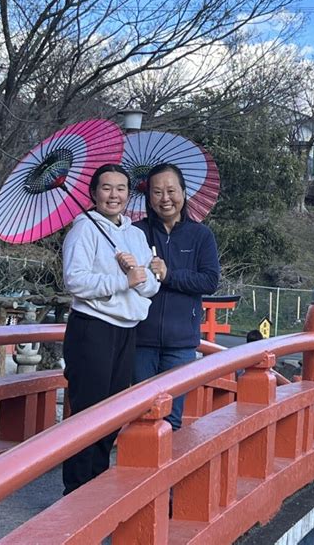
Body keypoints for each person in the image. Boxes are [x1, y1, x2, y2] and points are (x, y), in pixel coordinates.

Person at [61, 164, 160, 495]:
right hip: (93, 327)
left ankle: (97, 479)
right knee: (88, 409)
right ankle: (76, 488)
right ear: (93, 194)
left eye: (121, 188)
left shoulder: (135, 234)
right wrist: (123, 279)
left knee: (112, 411)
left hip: (127, 329)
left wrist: (151, 274)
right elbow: (75, 280)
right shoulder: (84, 229)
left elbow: (148, 289)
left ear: (128, 194)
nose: (114, 195)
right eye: (106, 188)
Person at [133, 163, 220, 430]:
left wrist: (170, 275)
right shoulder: (136, 232)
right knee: (138, 414)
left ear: (184, 192)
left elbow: (209, 280)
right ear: (148, 198)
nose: (165, 198)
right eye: (157, 192)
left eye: (171, 190)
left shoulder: (200, 235)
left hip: (181, 341)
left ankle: (167, 471)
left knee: (170, 418)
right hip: (139, 338)